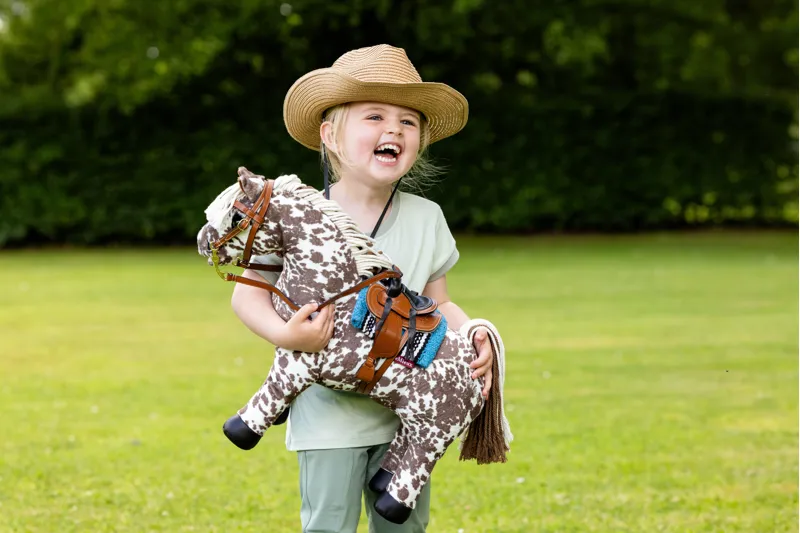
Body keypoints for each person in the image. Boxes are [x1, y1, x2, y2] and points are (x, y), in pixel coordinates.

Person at [230, 44, 494, 533]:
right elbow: (246, 294)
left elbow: (439, 303)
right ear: (330, 135)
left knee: (404, 526)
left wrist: (473, 333)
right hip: (327, 417)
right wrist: (287, 337)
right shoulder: (294, 215)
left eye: (408, 122)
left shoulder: (426, 217)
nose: (393, 129)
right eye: (374, 116)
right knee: (328, 524)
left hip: (408, 414)